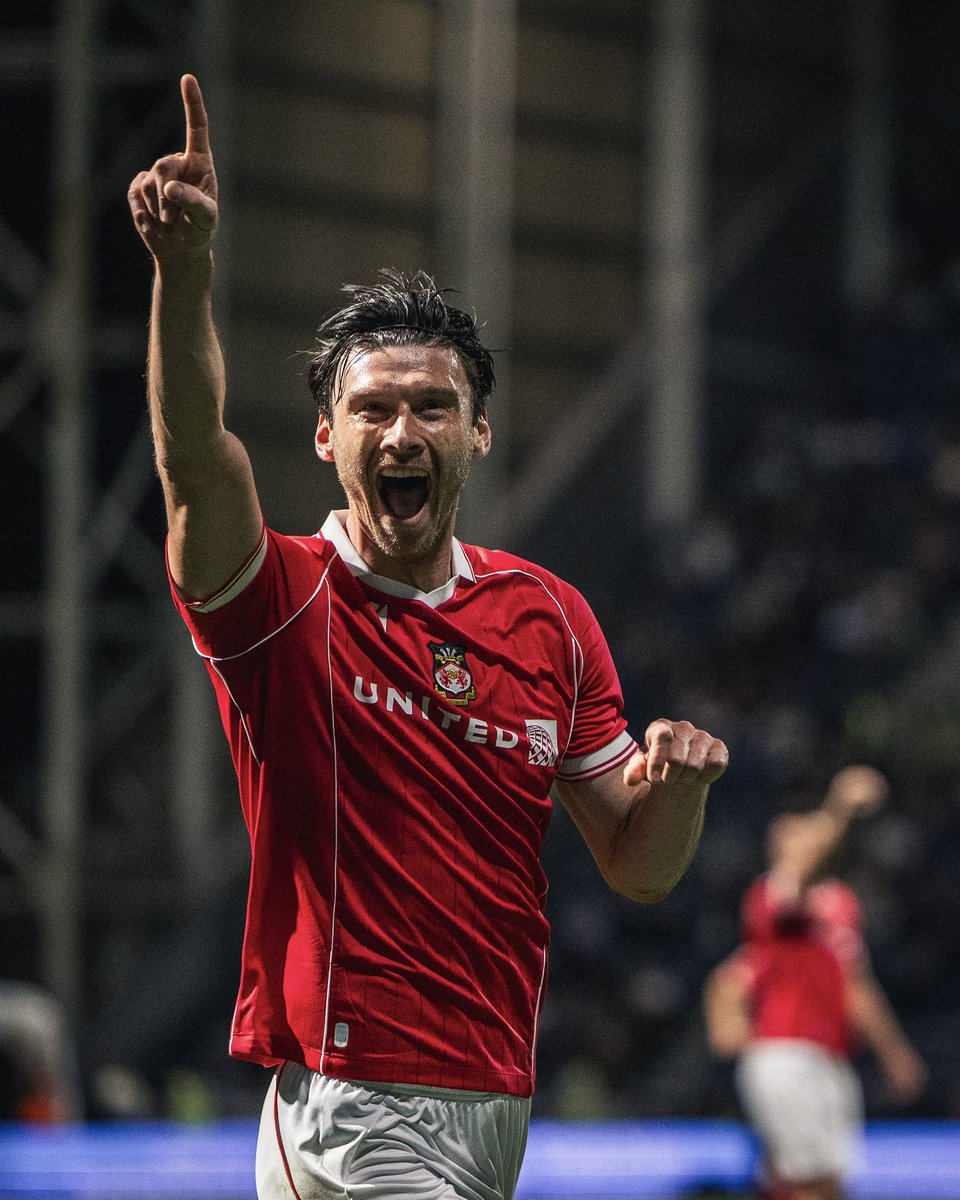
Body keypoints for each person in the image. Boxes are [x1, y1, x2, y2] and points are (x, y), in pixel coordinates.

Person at [128, 75, 729, 1200]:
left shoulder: (547, 615)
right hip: (358, 1095)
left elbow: (638, 867)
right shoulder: (280, 600)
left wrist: (682, 789)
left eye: (432, 407)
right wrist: (186, 271)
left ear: (480, 432)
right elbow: (194, 459)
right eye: (372, 409)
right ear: (326, 438)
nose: (402, 430)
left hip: (496, 1096)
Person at [703, 766, 927, 1200]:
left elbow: (857, 985)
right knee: (812, 1182)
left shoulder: (841, 904)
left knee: (825, 1181)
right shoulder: (770, 895)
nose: (803, 843)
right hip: (784, 1051)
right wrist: (840, 803)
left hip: (831, 1057)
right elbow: (725, 982)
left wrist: (895, 1052)